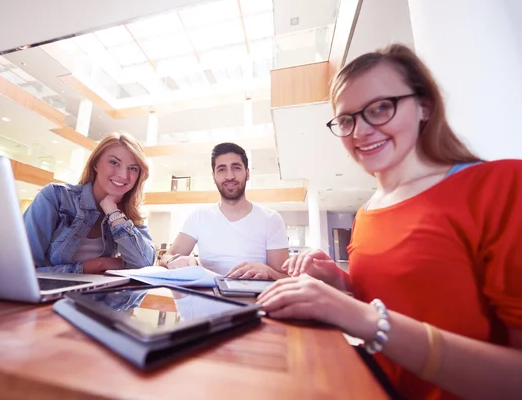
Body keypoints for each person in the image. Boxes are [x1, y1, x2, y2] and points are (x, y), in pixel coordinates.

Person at [257, 44, 522, 400]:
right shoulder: (366, 213)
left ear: (424, 105)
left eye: (381, 108)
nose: (361, 131)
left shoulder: (502, 186)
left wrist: (363, 318)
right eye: (347, 119)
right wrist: (341, 283)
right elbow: (396, 300)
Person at [24, 132, 156, 274]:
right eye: (114, 162)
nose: (124, 175)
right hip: (52, 293)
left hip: (102, 295)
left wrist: (112, 211)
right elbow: (24, 269)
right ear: (96, 164)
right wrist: (93, 266)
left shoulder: (128, 213)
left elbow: (145, 264)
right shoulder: (56, 197)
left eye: (133, 168)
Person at [161, 142, 289, 279]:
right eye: (222, 169)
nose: (229, 176)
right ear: (214, 176)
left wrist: (268, 271)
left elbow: (285, 277)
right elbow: (166, 257)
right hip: (208, 297)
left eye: (236, 168)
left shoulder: (271, 219)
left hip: (255, 299)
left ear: (247, 173)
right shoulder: (198, 216)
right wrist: (174, 261)